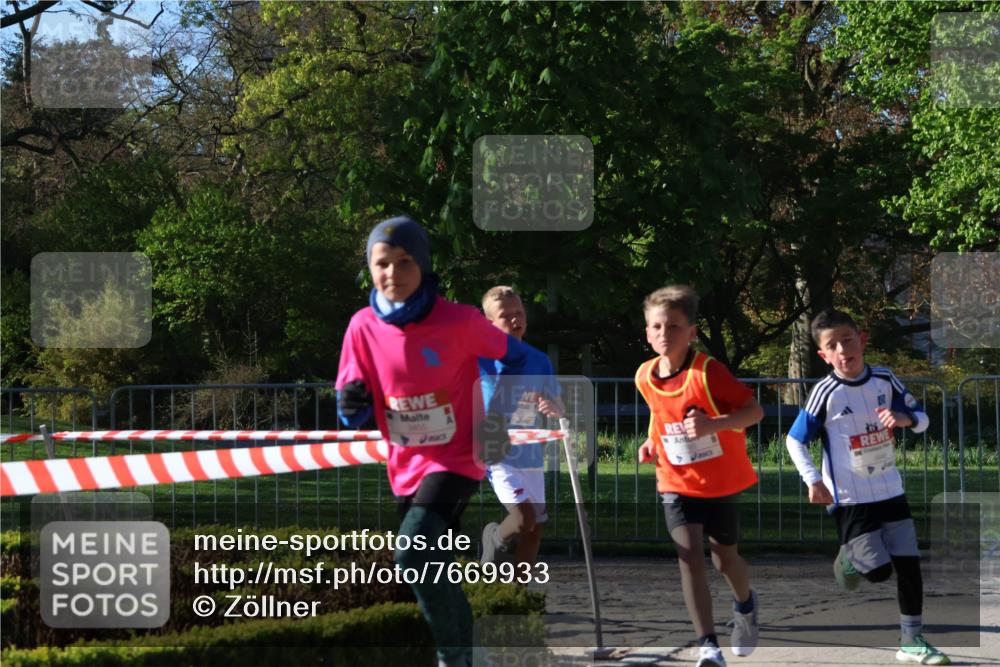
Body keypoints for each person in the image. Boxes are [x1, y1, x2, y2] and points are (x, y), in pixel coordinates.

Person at [335, 216, 527, 667]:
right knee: (429, 567)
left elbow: (515, 358)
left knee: (412, 550)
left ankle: (452, 657)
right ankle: (471, 655)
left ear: (422, 266)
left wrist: (502, 404)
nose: (393, 273)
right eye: (382, 263)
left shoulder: (457, 319)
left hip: (458, 457)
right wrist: (352, 402)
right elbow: (351, 410)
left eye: (405, 262)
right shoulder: (362, 326)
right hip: (406, 464)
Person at [785, 308, 950, 665]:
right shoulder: (824, 392)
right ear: (823, 355)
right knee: (877, 573)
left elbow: (922, 418)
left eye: (847, 340)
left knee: (910, 565)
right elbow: (794, 441)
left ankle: (911, 640)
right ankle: (849, 557)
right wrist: (813, 480)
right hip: (849, 498)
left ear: (861, 341)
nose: (843, 349)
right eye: (833, 345)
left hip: (890, 489)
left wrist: (905, 418)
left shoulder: (885, 380)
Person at [635, 285, 763, 667]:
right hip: (675, 480)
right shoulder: (644, 375)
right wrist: (650, 442)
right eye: (656, 326)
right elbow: (661, 416)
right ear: (646, 332)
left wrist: (714, 425)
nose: (663, 334)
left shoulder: (708, 371)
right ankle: (708, 644)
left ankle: (745, 605)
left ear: (691, 332)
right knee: (688, 555)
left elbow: (754, 412)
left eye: (673, 326)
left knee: (724, 559)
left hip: (719, 482)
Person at [478, 286, 564, 567]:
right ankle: (494, 537)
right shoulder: (479, 359)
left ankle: (520, 594)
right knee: (523, 518)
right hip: (497, 453)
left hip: (529, 454)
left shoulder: (539, 361)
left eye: (520, 314)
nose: (516, 320)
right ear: (490, 323)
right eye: (506, 316)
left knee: (535, 528)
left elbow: (558, 407)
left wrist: (554, 410)